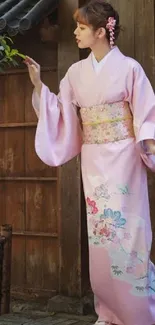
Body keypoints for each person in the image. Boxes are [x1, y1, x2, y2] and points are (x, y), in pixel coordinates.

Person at [25, 1, 155, 324]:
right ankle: (109, 311)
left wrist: (149, 146)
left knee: (129, 234)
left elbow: (146, 115)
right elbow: (60, 111)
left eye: (82, 28)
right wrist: (38, 85)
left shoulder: (130, 69)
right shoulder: (75, 74)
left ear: (101, 32)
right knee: (101, 239)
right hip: (94, 161)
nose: (75, 32)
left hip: (125, 160)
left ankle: (139, 313)